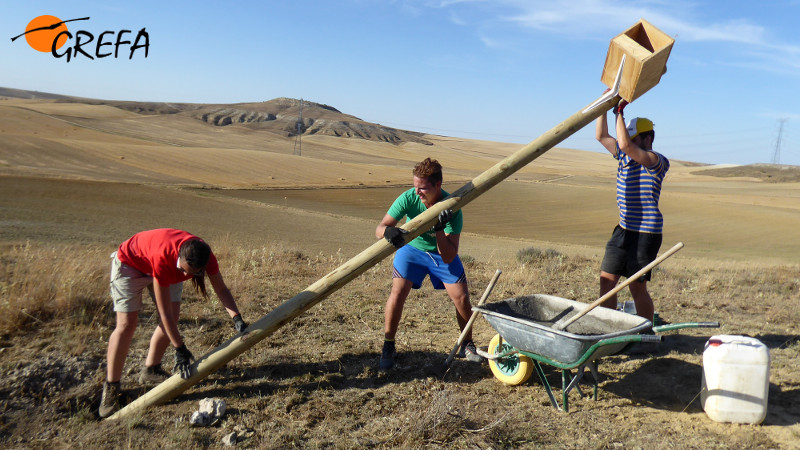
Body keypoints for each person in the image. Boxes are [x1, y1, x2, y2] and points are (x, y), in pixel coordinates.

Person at [99, 228, 248, 418]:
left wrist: (237, 319)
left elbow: (221, 289)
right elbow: (164, 313)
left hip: (167, 267)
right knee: (127, 325)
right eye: (183, 270)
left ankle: (151, 370)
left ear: (200, 269)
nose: (184, 274)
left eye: (189, 273)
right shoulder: (164, 259)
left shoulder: (205, 256)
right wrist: (180, 349)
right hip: (130, 265)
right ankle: (111, 388)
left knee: (174, 316)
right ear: (180, 257)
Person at [375, 157, 482, 371]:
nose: (417, 193)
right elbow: (379, 229)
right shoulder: (407, 198)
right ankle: (388, 346)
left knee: (461, 297)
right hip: (411, 250)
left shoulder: (452, 207)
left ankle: (466, 344)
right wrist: (388, 232)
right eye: (415, 187)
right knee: (397, 292)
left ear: (437, 185)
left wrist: (439, 229)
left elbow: (450, 255)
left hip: (442, 255)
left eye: (422, 188)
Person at [595, 98, 670, 324]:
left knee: (637, 288)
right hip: (624, 229)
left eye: (634, 138)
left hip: (645, 234)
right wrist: (603, 105)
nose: (628, 142)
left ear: (648, 138)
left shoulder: (657, 161)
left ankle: (644, 334)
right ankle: (609, 330)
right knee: (607, 282)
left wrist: (619, 111)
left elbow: (625, 145)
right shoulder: (624, 155)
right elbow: (601, 136)